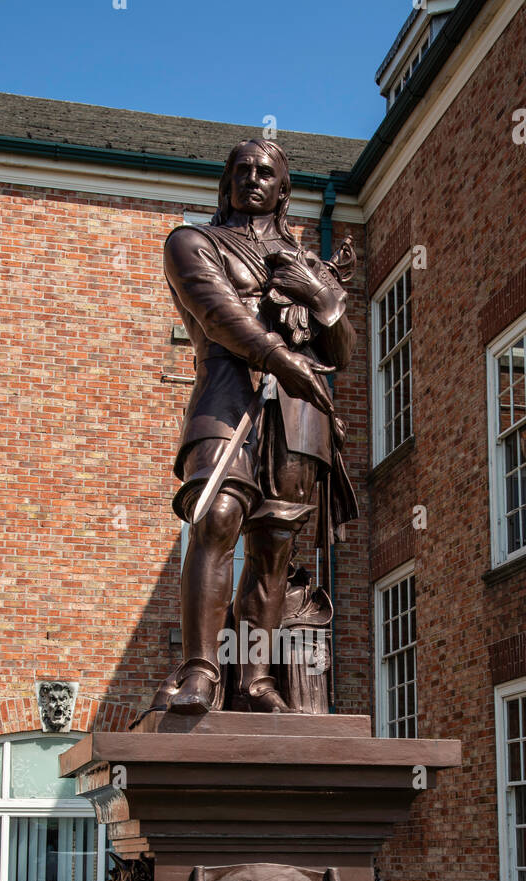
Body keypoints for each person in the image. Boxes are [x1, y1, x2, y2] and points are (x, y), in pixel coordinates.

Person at [151, 137, 357, 715]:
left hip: (299, 411)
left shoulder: (307, 261)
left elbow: (341, 349)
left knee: (273, 545)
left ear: (283, 188)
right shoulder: (194, 242)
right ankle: (200, 670)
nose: (253, 178)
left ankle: (257, 677)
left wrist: (320, 294)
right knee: (215, 516)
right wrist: (282, 358)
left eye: (266, 171)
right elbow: (219, 314)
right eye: (240, 169)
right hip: (226, 390)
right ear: (226, 181)